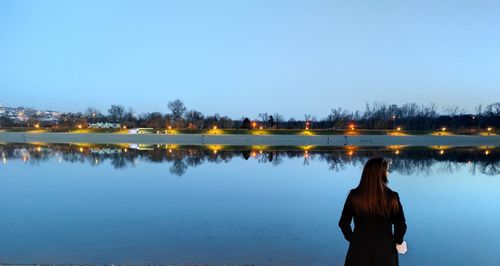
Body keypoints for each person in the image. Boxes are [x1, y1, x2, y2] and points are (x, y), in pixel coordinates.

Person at [339, 157, 407, 266]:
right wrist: (397, 241)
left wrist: (353, 239)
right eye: (387, 170)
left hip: (358, 250)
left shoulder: (354, 196)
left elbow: (343, 223)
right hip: (385, 251)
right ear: (382, 173)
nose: (388, 173)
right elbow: (401, 225)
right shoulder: (392, 197)